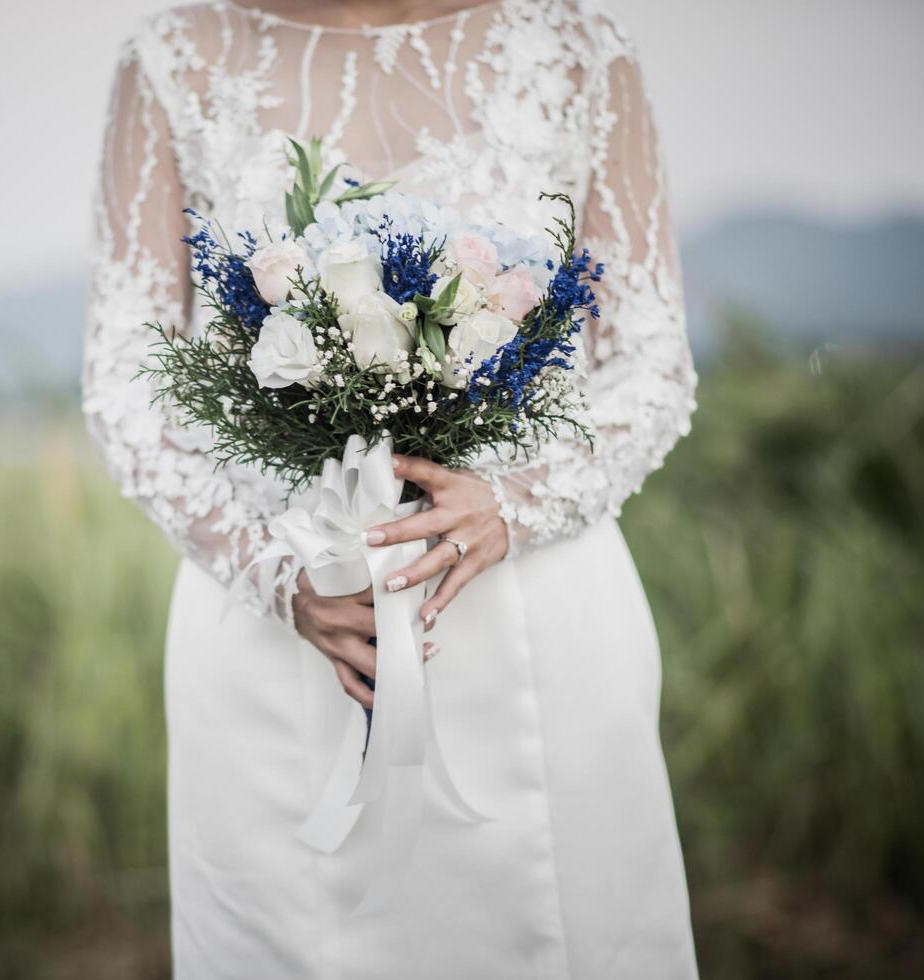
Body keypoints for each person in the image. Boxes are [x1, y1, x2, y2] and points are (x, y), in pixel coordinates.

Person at [82, 1, 699, 975]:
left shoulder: (577, 48)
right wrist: (270, 567)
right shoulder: (172, 57)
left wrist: (515, 499)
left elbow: (650, 358)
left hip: (531, 606)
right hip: (271, 628)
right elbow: (125, 372)